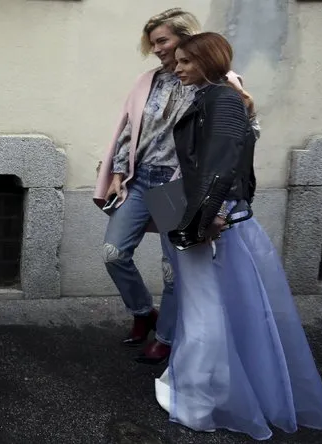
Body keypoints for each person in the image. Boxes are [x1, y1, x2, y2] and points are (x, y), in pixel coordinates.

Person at [154, 32, 322, 440]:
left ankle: (199, 401)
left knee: (204, 312)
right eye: (176, 61)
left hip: (213, 220)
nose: (177, 68)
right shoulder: (222, 97)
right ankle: (216, 389)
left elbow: (221, 164)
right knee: (227, 308)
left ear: (207, 60)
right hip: (213, 214)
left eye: (184, 61)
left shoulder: (221, 99)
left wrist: (203, 220)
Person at [93, 8, 253, 364]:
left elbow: (236, 141)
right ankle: (142, 312)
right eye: (153, 44)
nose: (158, 50)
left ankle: (166, 335)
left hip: (176, 186)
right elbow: (129, 129)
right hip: (140, 178)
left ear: (187, 38)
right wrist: (119, 172)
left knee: (173, 270)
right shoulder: (147, 81)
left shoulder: (218, 83)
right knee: (113, 253)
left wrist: (216, 203)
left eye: (163, 40)